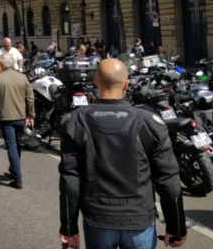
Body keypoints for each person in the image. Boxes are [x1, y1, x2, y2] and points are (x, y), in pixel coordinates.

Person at [58, 59, 187, 249]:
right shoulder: (149, 121)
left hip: (98, 218)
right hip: (139, 220)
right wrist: (176, 227)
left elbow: (70, 178)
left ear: (96, 81)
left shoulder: (75, 121)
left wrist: (69, 228)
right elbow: (168, 179)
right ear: (126, 84)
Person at [0, 53, 35, 190]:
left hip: (5, 117)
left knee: (11, 146)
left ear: (1, 64)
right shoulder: (22, 77)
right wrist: (30, 115)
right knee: (17, 145)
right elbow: (30, 98)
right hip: (20, 115)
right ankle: (14, 170)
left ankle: (17, 178)